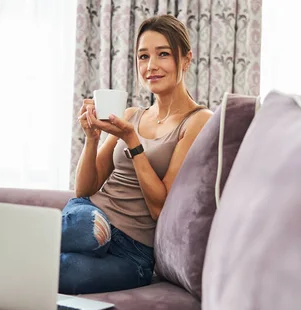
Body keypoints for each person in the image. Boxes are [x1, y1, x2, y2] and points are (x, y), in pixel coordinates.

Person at [59, 14, 213, 295]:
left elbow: (159, 208)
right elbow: (84, 189)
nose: (151, 66)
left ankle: (14, 255)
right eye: (143, 57)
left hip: (132, 251)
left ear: (186, 59)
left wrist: (132, 140)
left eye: (163, 54)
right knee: (85, 225)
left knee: (66, 270)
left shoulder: (197, 121)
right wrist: (92, 138)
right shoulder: (132, 114)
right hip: (91, 215)